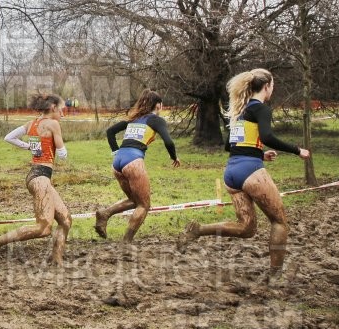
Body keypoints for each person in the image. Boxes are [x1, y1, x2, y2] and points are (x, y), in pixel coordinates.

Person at [178, 69, 310, 273]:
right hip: (251, 171)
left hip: (232, 173)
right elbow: (267, 137)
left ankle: (198, 230)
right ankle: (275, 276)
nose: (272, 89)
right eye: (273, 85)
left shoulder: (239, 112)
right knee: (279, 222)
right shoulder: (261, 109)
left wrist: (260, 154)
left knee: (247, 228)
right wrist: (297, 150)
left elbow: (230, 146)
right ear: (266, 86)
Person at [0, 94, 72, 265]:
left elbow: (9, 137)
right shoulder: (53, 124)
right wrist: (58, 143)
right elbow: (63, 154)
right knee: (43, 228)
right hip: (41, 179)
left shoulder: (31, 123)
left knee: (65, 220)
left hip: (37, 176)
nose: (62, 114)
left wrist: (29, 146)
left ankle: (57, 259)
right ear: (53, 108)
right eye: (61, 110)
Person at [94, 89, 180, 243]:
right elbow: (169, 141)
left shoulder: (134, 119)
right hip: (133, 161)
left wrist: (116, 152)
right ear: (158, 105)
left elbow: (110, 132)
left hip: (117, 163)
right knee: (144, 205)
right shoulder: (156, 120)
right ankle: (126, 241)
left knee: (135, 200)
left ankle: (105, 213)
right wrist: (174, 157)